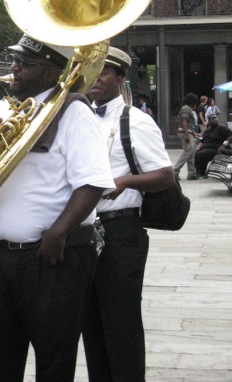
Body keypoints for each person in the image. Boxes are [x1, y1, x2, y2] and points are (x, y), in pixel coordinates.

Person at [0, 34, 115, 382]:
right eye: (13, 60)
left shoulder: (73, 113)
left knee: (54, 361)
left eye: (24, 63)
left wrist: (59, 232)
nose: (13, 68)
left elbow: (93, 182)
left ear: (51, 72)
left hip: (49, 258)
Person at [82, 47, 174, 382]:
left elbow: (165, 174)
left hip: (121, 232)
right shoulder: (83, 118)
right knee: (90, 322)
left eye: (104, 72)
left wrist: (124, 182)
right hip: (86, 230)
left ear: (120, 78)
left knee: (121, 322)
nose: (96, 79)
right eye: (93, 72)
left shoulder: (136, 121)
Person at [194, 113, 232, 177]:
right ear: (209, 121)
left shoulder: (222, 128)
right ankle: (198, 172)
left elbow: (231, 135)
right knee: (196, 153)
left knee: (203, 154)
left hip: (219, 148)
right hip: (207, 147)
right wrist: (199, 146)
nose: (215, 119)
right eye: (212, 118)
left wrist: (224, 145)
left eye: (215, 118)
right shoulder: (208, 129)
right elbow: (202, 139)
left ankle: (201, 172)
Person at [174, 93, 199, 181]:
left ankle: (192, 173)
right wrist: (186, 134)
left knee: (191, 153)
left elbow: (188, 124)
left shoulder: (187, 109)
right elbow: (184, 121)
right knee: (188, 152)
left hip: (188, 132)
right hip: (185, 133)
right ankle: (175, 171)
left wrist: (193, 133)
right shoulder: (186, 109)